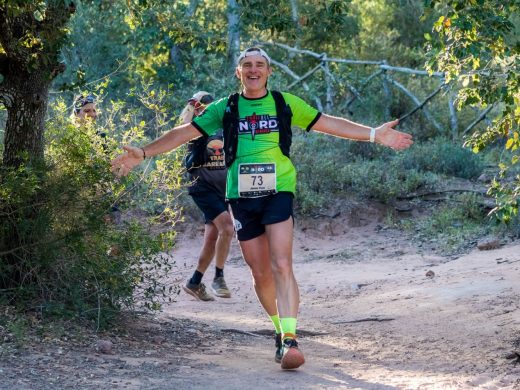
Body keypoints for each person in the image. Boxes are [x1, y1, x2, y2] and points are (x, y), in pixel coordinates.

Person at [111, 47, 413, 370]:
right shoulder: (225, 107)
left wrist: (373, 134)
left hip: (278, 189)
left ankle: (291, 339)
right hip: (240, 196)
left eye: (259, 65)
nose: (253, 69)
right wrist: (143, 153)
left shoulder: (284, 103)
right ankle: (279, 330)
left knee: (282, 263)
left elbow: (328, 124)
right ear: (238, 73)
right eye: (247, 65)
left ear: (269, 72)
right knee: (260, 273)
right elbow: (183, 133)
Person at [179, 91, 234, 301]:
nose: (206, 110)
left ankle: (194, 282)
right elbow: (183, 126)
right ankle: (219, 277)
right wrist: (194, 107)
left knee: (212, 239)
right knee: (227, 228)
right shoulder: (194, 126)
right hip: (202, 186)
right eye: (202, 106)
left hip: (223, 190)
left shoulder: (222, 126)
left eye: (210, 106)